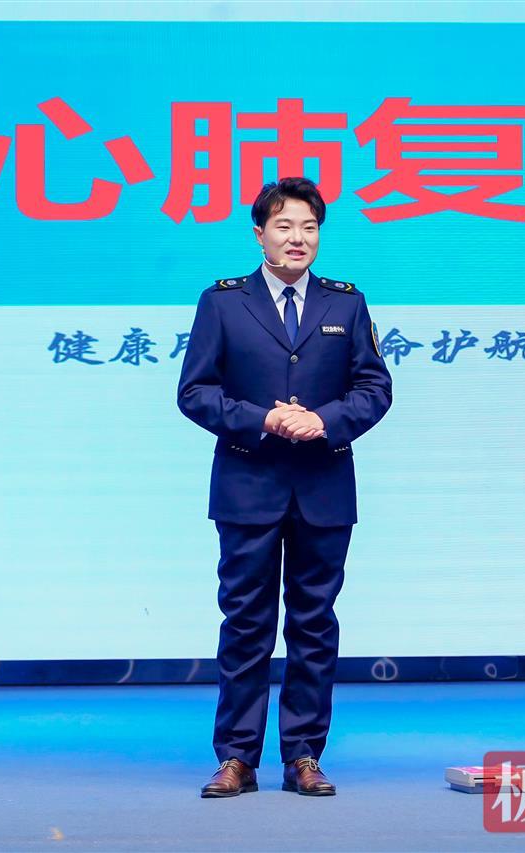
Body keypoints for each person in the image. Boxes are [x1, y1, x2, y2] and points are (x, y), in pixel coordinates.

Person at [176, 177, 393, 797]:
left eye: (309, 227)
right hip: (248, 484)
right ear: (260, 235)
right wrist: (262, 419)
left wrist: (324, 421)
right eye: (284, 226)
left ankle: (303, 755)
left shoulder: (346, 304)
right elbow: (195, 392)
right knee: (246, 623)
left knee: (314, 624)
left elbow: (375, 388)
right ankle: (236, 758)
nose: (298, 238)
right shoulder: (223, 302)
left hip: (324, 487)